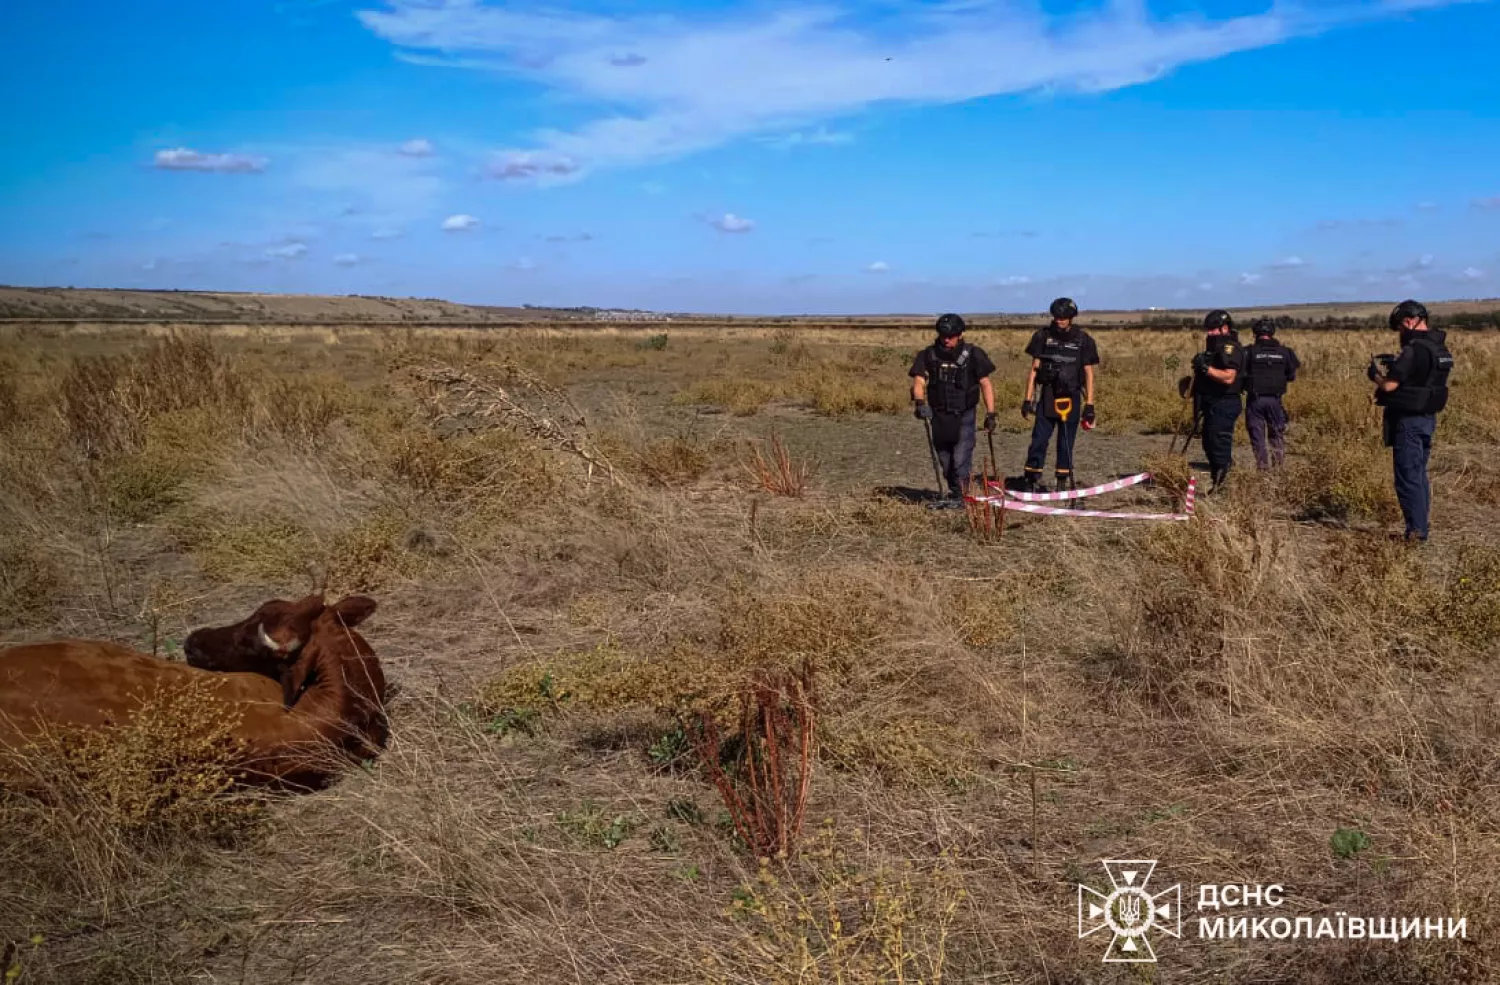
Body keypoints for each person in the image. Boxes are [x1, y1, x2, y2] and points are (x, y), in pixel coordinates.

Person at [1369, 299, 1453, 543]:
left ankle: (1416, 534)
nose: (1400, 334)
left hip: (1409, 423)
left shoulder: (1413, 350)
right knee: (1419, 474)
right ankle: (1421, 525)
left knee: (1408, 477)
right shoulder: (1439, 349)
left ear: (1408, 321)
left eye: (1400, 329)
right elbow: (1422, 377)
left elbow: (1390, 385)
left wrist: (1375, 375)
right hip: (1428, 419)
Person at [910, 313, 998, 502]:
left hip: (964, 414)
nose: (946, 339)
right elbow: (919, 381)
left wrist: (991, 413)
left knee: (960, 457)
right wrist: (919, 403)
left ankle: (963, 493)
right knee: (945, 459)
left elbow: (985, 384)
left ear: (960, 334)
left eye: (950, 336)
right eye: (943, 335)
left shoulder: (973, 354)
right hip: (939, 414)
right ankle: (955, 491)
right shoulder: (928, 355)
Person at [1020, 297, 1099, 491]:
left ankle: (1062, 481)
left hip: (1071, 396)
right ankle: (1031, 478)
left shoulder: (1084, 340)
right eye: (1056, 317)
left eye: (1064, 317)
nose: (1059, 320)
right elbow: (1034, 369)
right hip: (1047, 396)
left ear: (1071, 318)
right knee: (1039, 439)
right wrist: (1027, 399)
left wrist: (1089, 405)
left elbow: (1088, 373)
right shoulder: (1042, 337)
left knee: (1065, 442)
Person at [1190, 309, 1246, 491]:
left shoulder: (1230, 348)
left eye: (1213, 329)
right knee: (1209, 442)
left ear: (1224, 328)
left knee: (1218, 444)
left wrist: (1206, 369)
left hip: (1225, 402)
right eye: (1208, 329)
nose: (1210, 333)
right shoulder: (1213, 348)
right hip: (1211, 402)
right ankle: (1220, 479)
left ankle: (1224, 485)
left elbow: (1228, 377)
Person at [1242, 317, 1301, 469]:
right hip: (1275, 400)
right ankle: (1278, 469)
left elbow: (1241, 374)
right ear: (1273, 333)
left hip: (1255, 400)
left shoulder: (1248, 352)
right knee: (1276, 435)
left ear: (1255, 334)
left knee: (1257, 437)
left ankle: (1263, 470)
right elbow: (1291, 376)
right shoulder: (1285, 352)